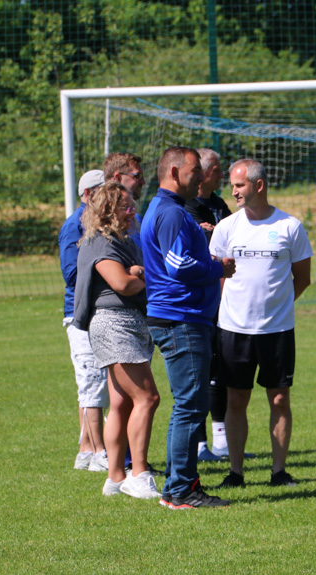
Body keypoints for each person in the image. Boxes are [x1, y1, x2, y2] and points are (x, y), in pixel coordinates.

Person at [140, 146, 235, 510]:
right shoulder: (172, 213)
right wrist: (218, 268)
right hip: (181, 318)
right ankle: (179, 490)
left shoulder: (165, 209)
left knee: (190, 403)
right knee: (190, 405)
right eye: (195, 170)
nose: (201, 176)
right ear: (175, 172)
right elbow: (179, 266)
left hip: (181, 316)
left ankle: (184, 484)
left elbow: (177, 261)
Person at [210, 158, 313, 489]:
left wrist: (275, 306)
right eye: (232, 185)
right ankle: (235, 473)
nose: (233, 191)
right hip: (233, 329)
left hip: (277, 331)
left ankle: (279, 472)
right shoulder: (227, 227)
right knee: (236, 400)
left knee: (279, 399)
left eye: (239, 185)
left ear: (259, 185)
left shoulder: (290, 227)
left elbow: (303, 278)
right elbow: (218, 277)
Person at [73, 182, 161, 499]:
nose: (132, 211)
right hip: (114, 324)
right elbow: (122, 283)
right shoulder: (100, 242)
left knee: (121, 403)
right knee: (148, 398)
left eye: (132, 205)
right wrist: (143, 273)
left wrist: (139, 270)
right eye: (125, 206)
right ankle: (139, 473)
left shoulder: (122, 240)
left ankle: (114, 478)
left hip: (129, 323)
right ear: (108, 209)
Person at [59, 169, 109, 473]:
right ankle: (99, 452)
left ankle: (86, 450)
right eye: (103, 191)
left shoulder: (98, 223)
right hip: (80, 314)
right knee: (92, 382)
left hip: (97, 311)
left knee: (91, 382)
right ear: (88, 194)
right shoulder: (74, 226)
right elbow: (72, 273)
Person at [185, 148, 232, 462]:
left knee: (221, 370)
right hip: (198, 301)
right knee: (198, 372)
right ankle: (200, 443)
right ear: (202, 173)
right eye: (217, 170)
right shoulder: (186, 208)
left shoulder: (219, 205)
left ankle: (221, 441)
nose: (221, 175)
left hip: (224, 298)